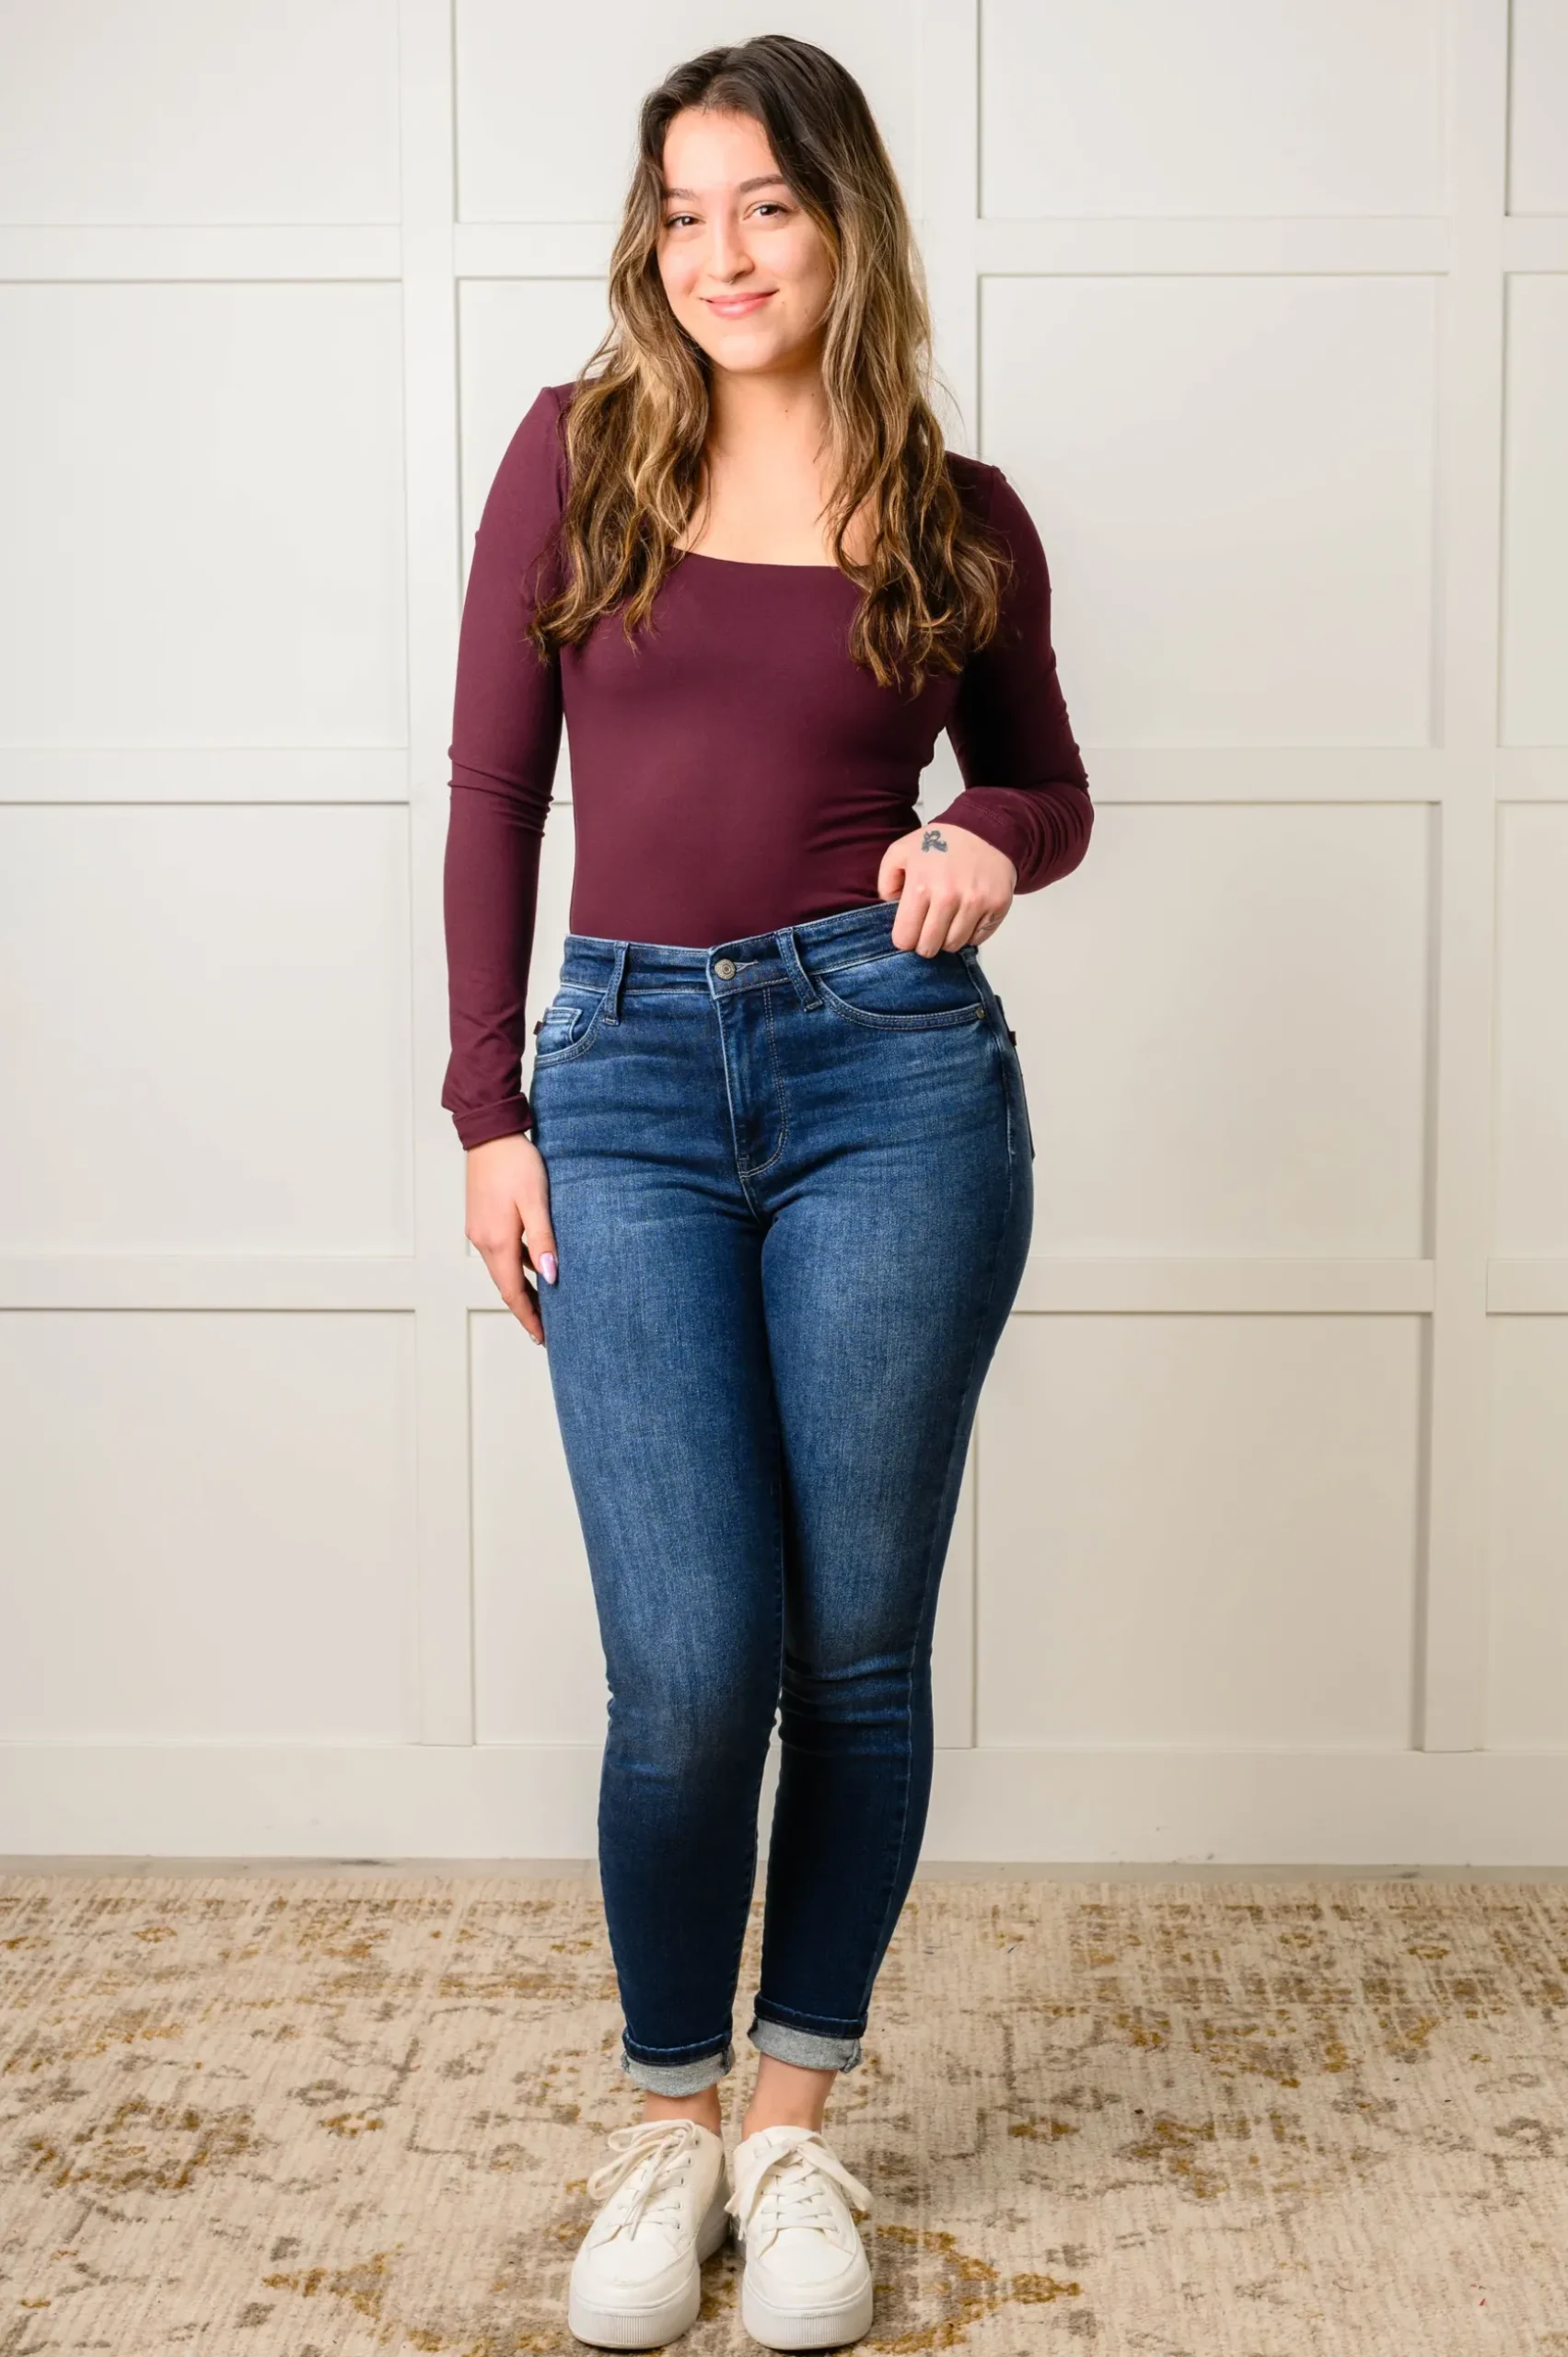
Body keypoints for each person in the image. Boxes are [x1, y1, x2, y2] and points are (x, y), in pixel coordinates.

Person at [439, 34, 1092, 2351]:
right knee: (690, 1664)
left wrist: (982, 837)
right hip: (615, 1081)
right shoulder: (579, 450)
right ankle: (664, 2123)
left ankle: (791, 2125)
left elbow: (1046, 780)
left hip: (886, 1077)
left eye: (765, 207)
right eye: (682, 210)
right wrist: (486, 1108)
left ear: (842, 222)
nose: (718, 254)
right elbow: (492, 791)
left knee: (854, 1650)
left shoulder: (954, 505)